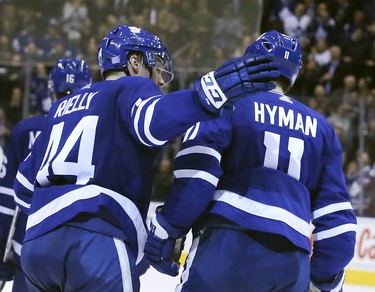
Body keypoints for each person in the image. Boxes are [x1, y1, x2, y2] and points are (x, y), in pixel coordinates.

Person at [12, 24, 279, 292]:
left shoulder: (60, 109)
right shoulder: (132, 86)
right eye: (158, 66)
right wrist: (209, 92)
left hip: (37, 248)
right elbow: (153, 123)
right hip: (94, 240)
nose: (161, 81)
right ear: (135, 61)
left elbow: (22, 188)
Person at [145, 30, 357, 292]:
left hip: (228, 245)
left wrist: (168, 229)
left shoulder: (229, 104)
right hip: (292, 263)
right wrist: (323, 277)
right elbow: (339, 227)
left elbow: (197, 178)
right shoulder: (323, 130)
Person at [0, 57, 92, 291]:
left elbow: (7, 201)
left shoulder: (26, 130)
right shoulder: (103, 133)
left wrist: (2, 250)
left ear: (52, 91)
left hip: (31, 251)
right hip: (83, 253)